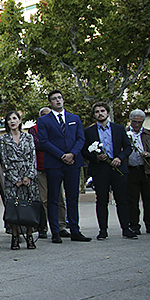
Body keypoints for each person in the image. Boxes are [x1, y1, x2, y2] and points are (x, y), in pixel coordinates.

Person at [37, 90, 90, 243]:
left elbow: (80, 138)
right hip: (54, 163)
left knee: (72, 197)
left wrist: (72, 154)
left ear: (63, 100)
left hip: (73, 162)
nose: (58, 100)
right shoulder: (44, 120)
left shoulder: (74, 118)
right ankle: (55, 231)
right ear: (50, 103)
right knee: (53, 198)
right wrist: (61, 155)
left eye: (60, 98)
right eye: (54, 99)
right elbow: (44, 141)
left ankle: (75, 230)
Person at [81, 102, 134, 240]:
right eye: (97, 111)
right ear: (94, 115)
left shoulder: (119, 129)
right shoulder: (89, 131)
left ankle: (126, 229)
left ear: (108, 113)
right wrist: (96, 157)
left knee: (122, 200)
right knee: (102, 200)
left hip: (117, 168)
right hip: (100, 169)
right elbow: (84, 151)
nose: (100, 113)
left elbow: (128, 147)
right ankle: (103, 230)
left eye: (102, 111)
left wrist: (120, 158)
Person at [0, 111, 38, 250]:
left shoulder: (28, 137)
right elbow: (5, 161)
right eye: (9, 120)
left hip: (28, 176)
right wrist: (16, 179)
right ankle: (15, 236)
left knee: (28, 206)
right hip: (12, 178)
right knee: (14, 207)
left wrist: (28, 176)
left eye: (14, 119)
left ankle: (30, 236)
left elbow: (33, 158)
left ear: (20, 121)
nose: (12, 122)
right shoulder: (4, 140)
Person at [29, 107, 70, 239]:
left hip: (57, 167)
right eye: (44, 115)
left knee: (59, 199)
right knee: (44, 200)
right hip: (41, 168)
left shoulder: (59, 126)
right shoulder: (34, 129)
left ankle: (61, 226)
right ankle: (44, 227)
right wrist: (52, 143)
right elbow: (38, 144)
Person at [126, 109, 150, 235]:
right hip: (131, 170)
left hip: (148, 170)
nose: (136, 125)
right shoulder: (124, 134)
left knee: (149, 200)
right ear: (130, 121)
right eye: (134, 122)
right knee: (132, 200)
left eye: (139, 122)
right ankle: (133, 225)